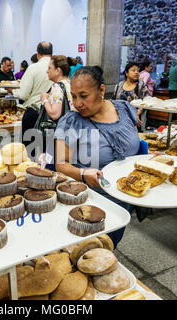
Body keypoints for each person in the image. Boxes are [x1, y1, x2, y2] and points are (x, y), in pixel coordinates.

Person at [54, 66, 140, 247]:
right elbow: (61, 165)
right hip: (90, 203)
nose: (77, 104)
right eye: (74, 96)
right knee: (90, 250)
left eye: (83, 96)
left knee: (110, 245)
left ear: (101, 90)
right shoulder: (71, 121)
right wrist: (84, 173)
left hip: (126, 199)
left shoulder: (124, 110)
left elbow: (134, 143)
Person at [12, 41, 53, 148]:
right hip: (52, 115)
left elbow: (23, 94)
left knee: (30, 152)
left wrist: (12, 91)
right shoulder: (58, 69)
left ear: (38, 54)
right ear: (52, 54)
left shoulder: (33, 68)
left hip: (34, 115)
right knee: (47, 152)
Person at [38, 55, 74, 163]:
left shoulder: (57, 87)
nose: (47, 71)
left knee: (53, 164)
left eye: (49, 68)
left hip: (58, 133)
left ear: (58, 70)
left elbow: (55, 114)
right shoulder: (71, 83)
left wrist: (45, 100)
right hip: (72, 131)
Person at [113, 62, 150, 132]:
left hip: (135, 120)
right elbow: (114, 102)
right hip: (120, 119)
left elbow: (146, 102)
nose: (136, 72)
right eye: (133, 70)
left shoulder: (142, 86)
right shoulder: (118, 86)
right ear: (126, 73)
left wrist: (135, 115)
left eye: (138, 71)